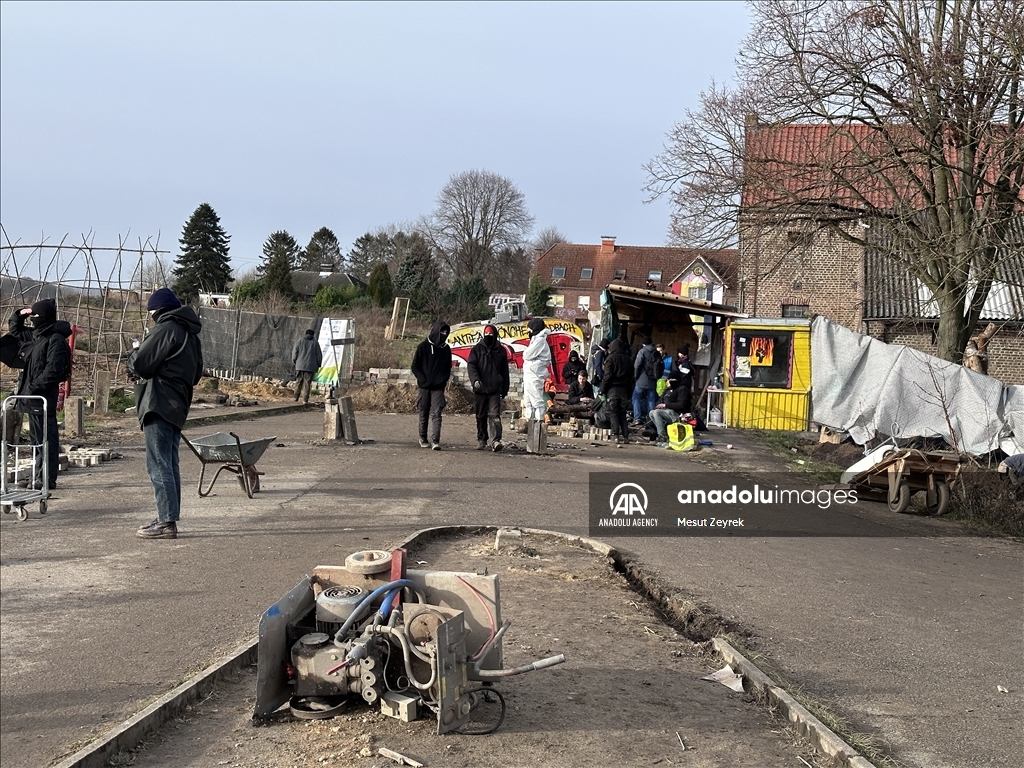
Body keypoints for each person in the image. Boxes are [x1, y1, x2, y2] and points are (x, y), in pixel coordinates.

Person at [128, 288, 203, 539]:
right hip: (178, 404)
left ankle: (166, 522)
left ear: (157, 310)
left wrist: (134, 352)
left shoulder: (165, 329)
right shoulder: (191, 335)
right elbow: (196, 374)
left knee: (158, 463)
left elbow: (141, 364)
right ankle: (166, 515)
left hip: (158, 401)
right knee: (169, 463)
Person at [6, 299, 72, 490]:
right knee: (36, 441)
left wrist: (34, 387)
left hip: (42, 398)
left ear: (43, 318)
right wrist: (20, 314)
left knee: (46, 440)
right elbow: (15, 331)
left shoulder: (55, 340)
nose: (32, 319)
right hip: (31, 398)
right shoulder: (37, 335)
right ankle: (37, 476)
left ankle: (46, 478)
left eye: (35, 315)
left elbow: (53, 371)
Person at [467, 324, 509, 451]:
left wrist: (505, 388)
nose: (488, 336)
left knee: (494, 415)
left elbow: (505, 371)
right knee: (480, 415)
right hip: (480, 389)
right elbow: (471, 366)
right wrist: (475, 380)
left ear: (495, 335)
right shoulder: (477, 349)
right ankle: (482, 439)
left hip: (495, 388)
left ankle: (495, 440)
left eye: (491, 334)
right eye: (487, 334)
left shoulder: (501, 350)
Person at [411, 321, 452, 450]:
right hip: (424, 387)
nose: (444, 334)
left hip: (438, 387)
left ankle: (435, 440)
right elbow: (415, 366)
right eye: (442, 332)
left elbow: (448, 368)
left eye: (446, 332)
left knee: (437, 413)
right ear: (436, 331)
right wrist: (423, 379)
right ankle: (423, 438)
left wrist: (443, 380)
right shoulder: (423, 347)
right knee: (424, 412)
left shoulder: (446, 349)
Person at [599, 338, 633, 444]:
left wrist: (602, 390)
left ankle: (616, 435)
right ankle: (626, 436)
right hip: (624, 390)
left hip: (612, 389)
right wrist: (630, 392)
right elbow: (631, 378)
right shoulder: (628, 359)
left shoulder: (610, 359)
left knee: (613, 412)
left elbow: (607, 376)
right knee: (622, 413)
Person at [521, 317, 552, 423]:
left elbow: (527, 355)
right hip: (531, 373)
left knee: (536, 397)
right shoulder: (536, 339)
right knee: (528, 398)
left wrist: (527, 357)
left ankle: (539, 420)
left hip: (535, 373)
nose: (528, 331)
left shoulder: (540, 340)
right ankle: (530, 420)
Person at [650, 377, 692, 445]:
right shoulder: (668, 390)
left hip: (677, 414)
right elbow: (660, 400)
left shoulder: (682, 389)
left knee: (657, 412)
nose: (669, 381)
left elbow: (682, 405)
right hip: (666, 411)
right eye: (669, 379)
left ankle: (663, 436)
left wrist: (666, 405)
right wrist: (659, 405)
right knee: (651, 412)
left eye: (672, 379)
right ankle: (663, 432)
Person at [632, 335, 659, 422]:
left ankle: (637, 418)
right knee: (651, 400)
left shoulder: (642, 351)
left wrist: (635, 376)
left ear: (643, 343)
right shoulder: (656, 352)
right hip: (653, 381)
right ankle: (652, 420)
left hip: (641, 380)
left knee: (636, 397)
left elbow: (637, 365)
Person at [291, 328, 323, 404]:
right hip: (311, 367)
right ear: (313, 335)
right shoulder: (315, 343)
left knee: (298, 381)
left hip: (300, 365)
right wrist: (318, 364)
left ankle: (295, 397)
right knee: (307, 383)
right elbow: (319, 355)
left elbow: (294, 352)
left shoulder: (299, 341)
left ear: (305, 334)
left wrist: (294, 361)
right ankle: (305, 400)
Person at [667, 345, 694, 415]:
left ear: (683, 354)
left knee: (683, 400)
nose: (678, 354)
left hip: (684, 385)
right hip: (683, 385)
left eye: (680, 353)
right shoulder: (682, 362)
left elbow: (682, 375)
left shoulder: (686, 364)